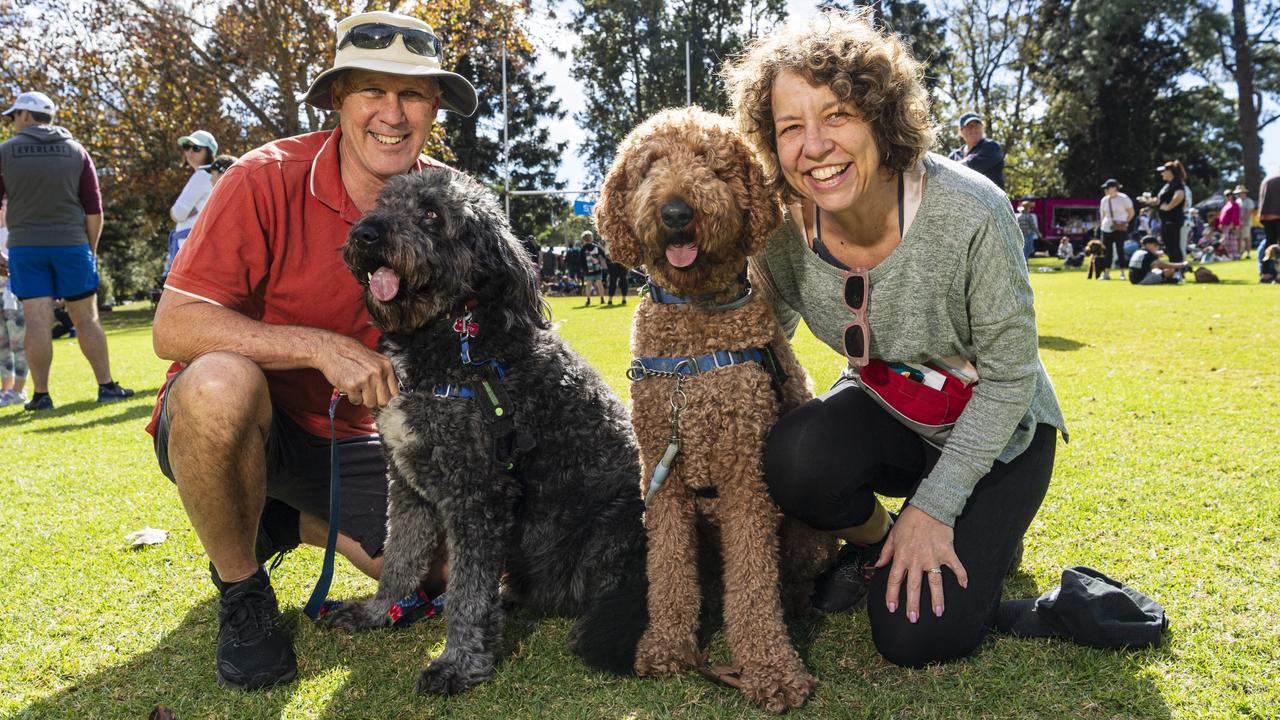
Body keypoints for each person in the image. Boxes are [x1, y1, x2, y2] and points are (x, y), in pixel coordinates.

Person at [725, 8, 1067, 668]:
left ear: (882, 117)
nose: (814, 145)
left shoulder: (970, 210)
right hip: (891, 411)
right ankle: (880, 539)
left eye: (837, 116)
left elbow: (1009, 380)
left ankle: (1001, 550)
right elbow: (760, 338)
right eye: (791, 126)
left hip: (1002, 435)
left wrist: (934, 509)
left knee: (916, 636)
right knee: (797, 459)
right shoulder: (779, 228)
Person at [145, 11, 477, 690]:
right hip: (249, 424)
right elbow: (172, 327)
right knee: (217, 384)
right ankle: (243, 592)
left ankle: (283, 520)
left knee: (436, 565)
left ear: (434, 107)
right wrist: (317, 347)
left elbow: (483, 337)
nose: (392, 114)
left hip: (364, 436)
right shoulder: (262, 178)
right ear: (336, 101)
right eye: (371, 92)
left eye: (412, 94)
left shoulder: (454, 202)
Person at [0, 90, 133, 411]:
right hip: (72, 245)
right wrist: (91, 250)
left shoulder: (5, 152)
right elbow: (94, 209)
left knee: (36, 322)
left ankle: (41, 396)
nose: (13, 123)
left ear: (28, 116)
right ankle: (107, 386)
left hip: (25, 248)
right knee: (86, 318)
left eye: (14, 116)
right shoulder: (76, 151)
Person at [166, 130, 218, 276]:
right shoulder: (216, 176)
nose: (189, 152)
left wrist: (188, 211)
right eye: (186, 147)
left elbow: (177, 214)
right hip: (205, 246)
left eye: (196, 148)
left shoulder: (201, 175)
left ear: (209, 152)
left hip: (190, 248)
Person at [0, 199, 28, 407]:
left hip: (15, 297)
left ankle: (19, 390)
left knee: (18, 345)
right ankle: (6, 390)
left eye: (5, 203)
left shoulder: (18, 233)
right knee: (2, 346)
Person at [1141, 161, 1187, 263]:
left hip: (1172, 219)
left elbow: (1180, 195)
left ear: (1170, 172)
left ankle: (1177, 271)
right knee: (1169, 246)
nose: (1162, 174)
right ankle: (1176, 269)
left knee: (1173, 246)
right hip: (1166, 220)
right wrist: (1147, 201)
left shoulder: (1176, 183)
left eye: (1163, 171)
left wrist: (1169, 207)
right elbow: (1159, 201)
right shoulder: (1168, 185)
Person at [947, 112, 1005, 190]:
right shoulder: (954, 156)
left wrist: (950, 167)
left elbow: (974, 165)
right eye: (969, 126)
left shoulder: (991, 147)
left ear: (982, 127)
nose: (973, 129)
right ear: (961, 131)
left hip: (989, 201)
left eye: (977, 125)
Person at [1098, 179, 1134, 280]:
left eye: (1108, 188)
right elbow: (1102, 215)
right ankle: (1106, 272)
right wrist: (1101, 226)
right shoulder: (1104, 200)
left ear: (1114, 188)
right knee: (1107, 251)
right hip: (1107, 227)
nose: (1106, 190)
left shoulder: (1124, 198)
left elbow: (1131, 212)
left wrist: (1125, 222)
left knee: (1120, 249)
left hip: (1119, 226)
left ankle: (1122, 272)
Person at [579, 230, 607, 305]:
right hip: (597, 268)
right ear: (591, 238)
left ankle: (588, 300)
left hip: (588, 270)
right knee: (599, 284)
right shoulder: (596, 247)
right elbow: (603, 255)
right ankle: (602, 299)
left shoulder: (583, 249)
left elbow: (581, 261)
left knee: (588, 285)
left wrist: (584, 269)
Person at [1217, 190, 1242, 260]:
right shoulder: (1227, 204)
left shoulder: (1235, 204)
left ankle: (1235, 256)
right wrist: (1221, 224)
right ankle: (1231, 255)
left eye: (1229, 195)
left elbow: (1235, 216)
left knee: (1232, 241)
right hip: (1225, 226)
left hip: (1231, 225)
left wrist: (1233, 224)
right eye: (1227, 195)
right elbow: (1222, 215)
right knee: (1227, 241)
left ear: (1232, 195)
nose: (1228, 196)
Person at [1260, 169, 1280, 256]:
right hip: (1278, 215)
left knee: (1269, 244)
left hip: (1266, 216)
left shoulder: (1266, 179)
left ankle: (1266, 267)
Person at [1234, 184, 1257, 259]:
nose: (1238, 194)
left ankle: (1248, 254)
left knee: (1246, 238)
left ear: (1244, 193)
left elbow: (1249, 211)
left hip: (1246, 223)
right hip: (1238, 224)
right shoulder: (1237, 201)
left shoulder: (1249, 201)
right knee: (1239, 238)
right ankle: (1239, 253)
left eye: (1240, 193)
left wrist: (1242, 220)